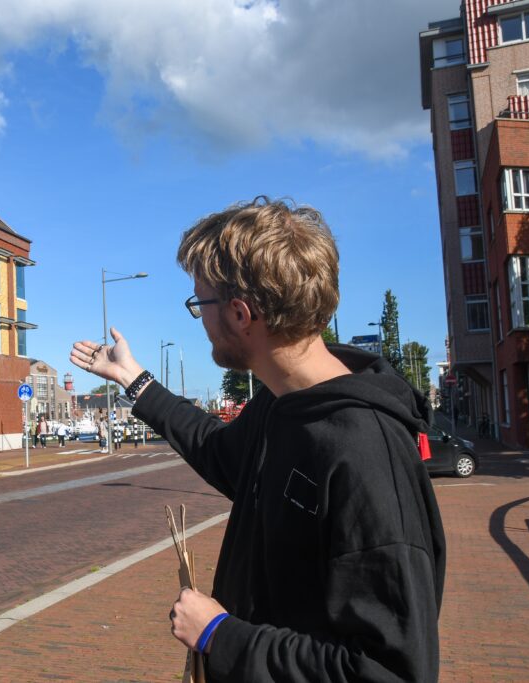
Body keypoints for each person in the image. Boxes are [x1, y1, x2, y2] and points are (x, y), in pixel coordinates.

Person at [70, 197, 445, 682]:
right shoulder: (280, 404)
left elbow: (390, 669)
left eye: (200, 303)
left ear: (241, 314)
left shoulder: (364, 450)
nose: (200, 318)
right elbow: (221, 453)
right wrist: (135, 380)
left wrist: (220, 636)